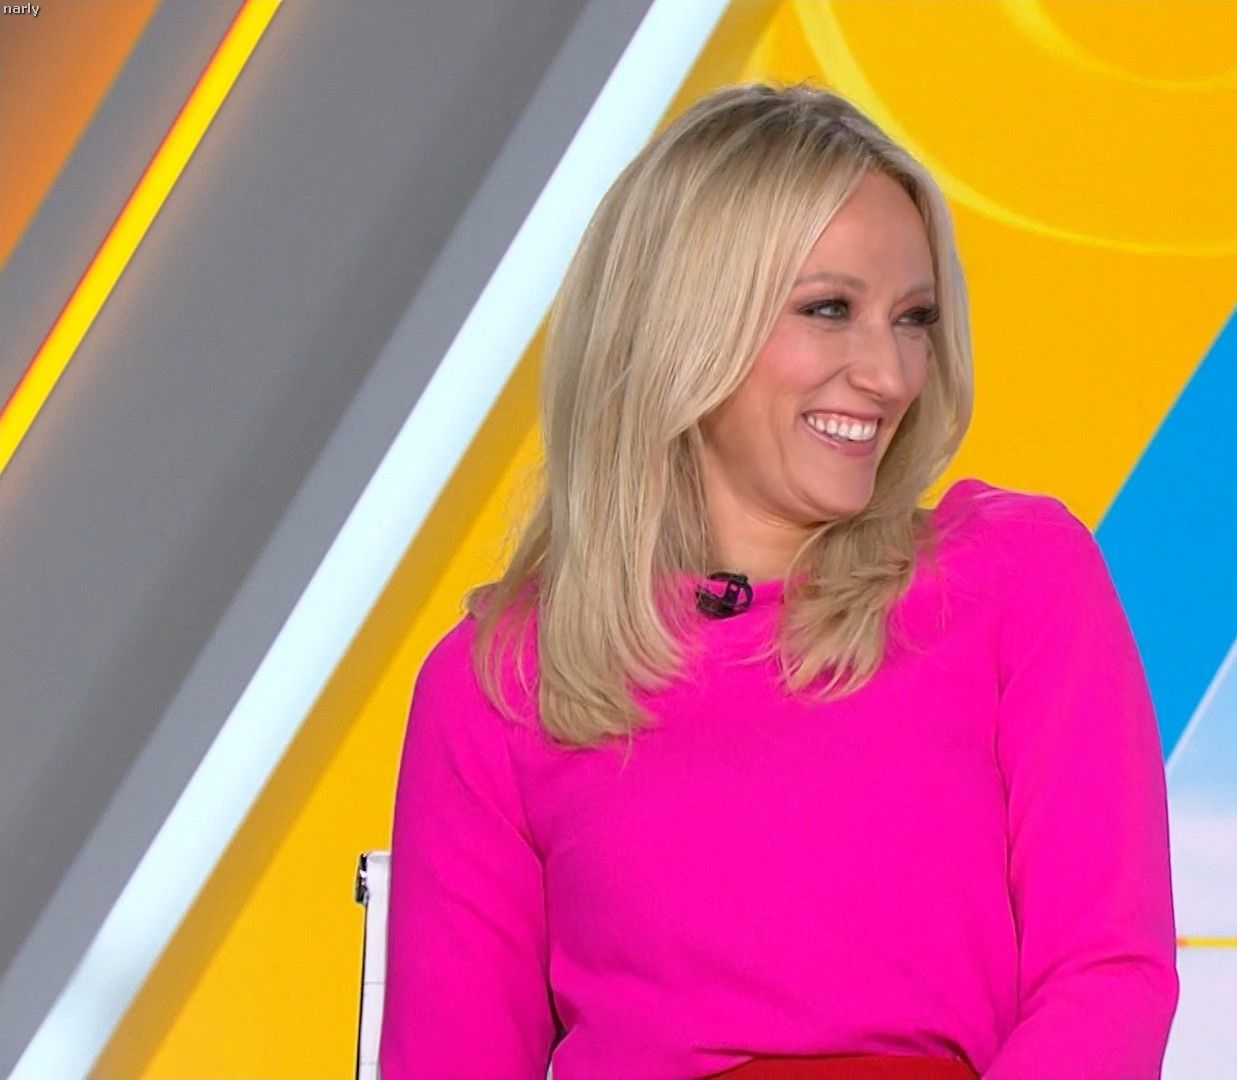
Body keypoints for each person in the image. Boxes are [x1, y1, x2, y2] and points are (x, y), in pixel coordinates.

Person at [379, 80, 1178, 1079]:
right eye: (830, 309)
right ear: (682, 325)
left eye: (914, 318)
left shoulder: (1019, 580)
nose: (890, 374)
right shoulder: (500, 684)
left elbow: (1107, 977)